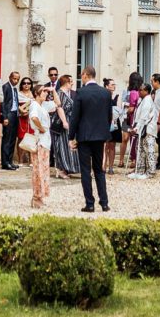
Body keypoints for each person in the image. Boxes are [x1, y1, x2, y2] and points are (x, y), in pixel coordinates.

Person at [69, 66, 112, 211]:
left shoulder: (81, 92)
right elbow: (108, 115)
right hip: (100, 135)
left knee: (86, 170)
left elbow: (75, 117)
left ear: (86, 75)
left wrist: (71, 136)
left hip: (85, 136)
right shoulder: (105, 93)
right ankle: (104, 202)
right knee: (99, 169)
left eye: (82, 75)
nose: (81, 77)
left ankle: (90, 203)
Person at [28, 82, 53, 208]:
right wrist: (42, 128)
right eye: (43, 91)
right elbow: (33, 118)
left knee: (43, 169)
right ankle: (36, 197)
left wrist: (52, 90)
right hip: (40, 140)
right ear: (37, 93)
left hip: (45, 141)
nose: (46, 93)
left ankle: (40, 196)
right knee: (38, 170)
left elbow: (58, 105)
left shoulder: (42, 105)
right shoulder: (34, 105)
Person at [50, 74, 80, 178]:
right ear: (66, 83)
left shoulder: (65, 94)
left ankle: (67, 168)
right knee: (61, 146)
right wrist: (64, 122)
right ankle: (60, 170)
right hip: (61, 124)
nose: (72, 83)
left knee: (67, 146)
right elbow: (59, 108)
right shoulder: (60, 94)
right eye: (70, 81)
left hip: (68, 122)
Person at [128, 81, 157, 179]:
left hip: (147, 129)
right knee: (140, 150)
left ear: (147, 91)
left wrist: (136, 128)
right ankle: (139, 170)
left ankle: (150, 173)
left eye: (141, 90)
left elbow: (144, 117)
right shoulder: (143, 100)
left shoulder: (147, 100)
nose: (139, 91)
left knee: (149, 151)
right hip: (142, 129)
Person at [119, 72, 142, 169]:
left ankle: (131, 159)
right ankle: (125, 159)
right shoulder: (139, 92)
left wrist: (123, 113)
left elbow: (131, 108)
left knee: (129, 139)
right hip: (131, 119)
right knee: (128, 139)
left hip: (129, 118)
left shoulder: (133, 92)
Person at [0, 69, 21, 171]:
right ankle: (5, 163)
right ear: (10, 78)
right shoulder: (6, 87)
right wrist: (4, 117)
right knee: (7, 139)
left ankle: (10, 161)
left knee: (13, 139)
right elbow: (3, 103)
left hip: (15, 115)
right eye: (14, 78)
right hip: (8, 115)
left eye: (17, 79)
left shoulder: (15, 89)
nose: (16, 81)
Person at [102, 77, 122, 174]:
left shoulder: (116, 97)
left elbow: (119, 110)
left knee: (112, 145)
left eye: (114, 84)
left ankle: (110, 167)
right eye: (112, 84)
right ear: (107, 86)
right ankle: (103, 166)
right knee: (105, 146)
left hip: (114, 122)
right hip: (105, 122)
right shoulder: (102, 97)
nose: (114, 86)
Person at [15, 76, 35, 165]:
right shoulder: (18, 94)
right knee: (21, 138)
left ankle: (31, 160)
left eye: (28, 83)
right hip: (21, 118)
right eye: (24, 83)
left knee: (32, 138)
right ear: (21, 85)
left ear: (31, 85)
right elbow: (15, 106)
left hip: (32, 119)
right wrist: (21, 112)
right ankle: (20, 160)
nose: (26, 85)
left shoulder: (34, 94)